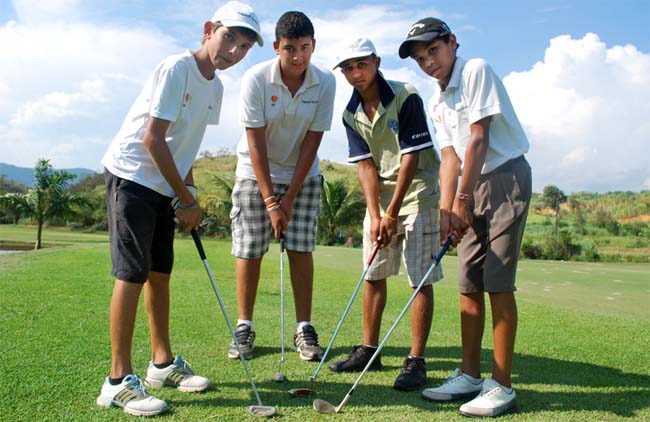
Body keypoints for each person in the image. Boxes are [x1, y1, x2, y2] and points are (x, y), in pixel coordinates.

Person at [97, 2, 263, 416]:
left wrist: (187, 190)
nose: (234, 51)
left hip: (162, 186)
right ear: (209, 29)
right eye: (230, 38)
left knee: (160, 274)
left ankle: (162, 363)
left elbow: (183, 146)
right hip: (132, 177)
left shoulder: (217, 88)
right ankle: (116, 381)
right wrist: (187, 200)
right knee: (132, 274)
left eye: (244, 46)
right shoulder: (177, 68)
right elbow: (154, 139)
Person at [399, 17, 532, 417]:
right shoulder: (437, 99)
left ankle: (502, 384)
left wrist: (462, 199)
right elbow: (450, 156)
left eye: (433, 52)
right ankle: (470, 375)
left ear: (452, 43)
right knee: (468, 281)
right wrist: (446, 210)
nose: (428, 63)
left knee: (497, 281)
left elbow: (479, 137)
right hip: (468, 187)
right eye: (420, 58)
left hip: (506, 177)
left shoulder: (475, 70)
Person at [327, 37, 443, 392]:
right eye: (347, 67)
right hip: (382, 199)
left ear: (376, 62)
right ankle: (369, 349)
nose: (355, 73)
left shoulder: (406, 96)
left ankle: (416, 360)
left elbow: (411, 157)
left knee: (418, 278)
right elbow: (364, 166)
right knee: (373, 274)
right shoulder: (350, 113)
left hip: (418, 192)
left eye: (360, 64)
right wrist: (376, 213)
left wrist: (391, 213)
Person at [228, 11, 336, 362]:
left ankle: (303, 327)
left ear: (313, 46)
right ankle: (244, 325)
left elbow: (312, 141)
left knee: (301, 249)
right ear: (276, 46)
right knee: (250, 248)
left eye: (305, 48)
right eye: (290, 48)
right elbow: (255, 142)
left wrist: (287, 198)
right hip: (254, 171)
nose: (297, 57)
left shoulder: (325, 82)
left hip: (302, 175)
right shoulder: (255, 79)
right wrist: (271, 201)